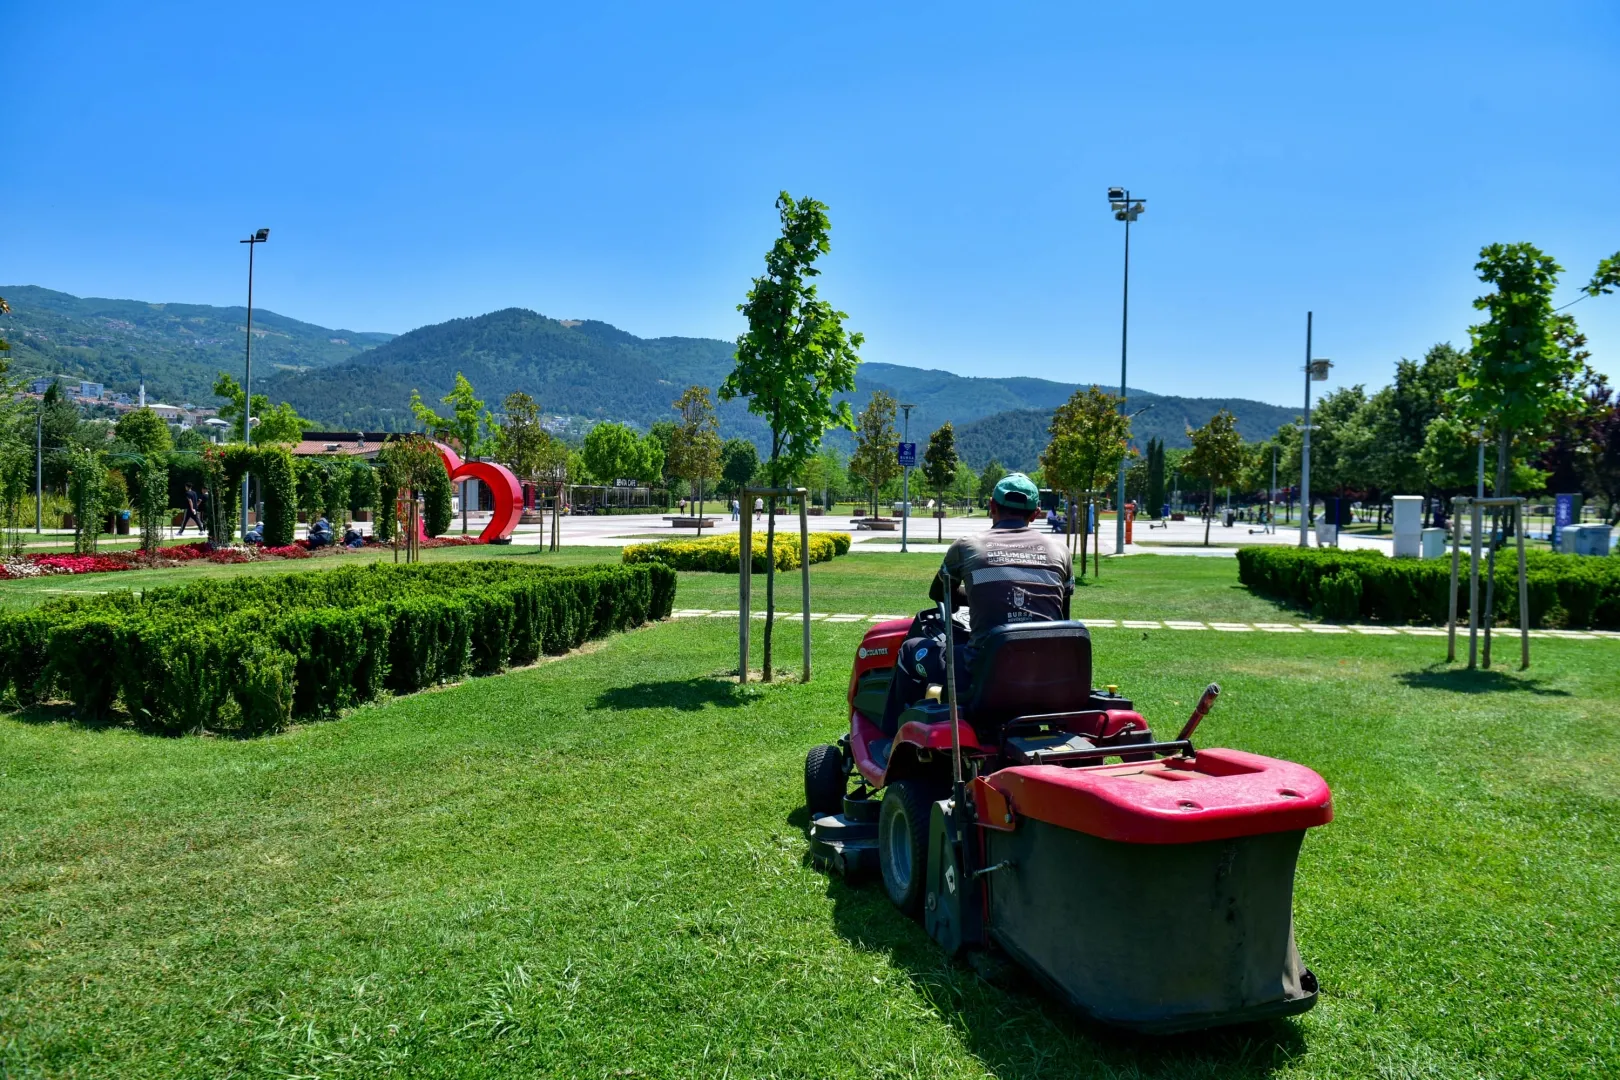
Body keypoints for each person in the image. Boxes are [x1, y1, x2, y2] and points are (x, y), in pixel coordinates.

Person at [882, 473, 1074, 733]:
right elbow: (1061, 615)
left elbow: (940, 593)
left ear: (992, 506)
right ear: (1036, 514)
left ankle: (890, 738)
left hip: (981, 672)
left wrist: (976, 594)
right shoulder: (1060, 551)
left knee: (909, 650)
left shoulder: (967, 546)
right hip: (1046, 675)